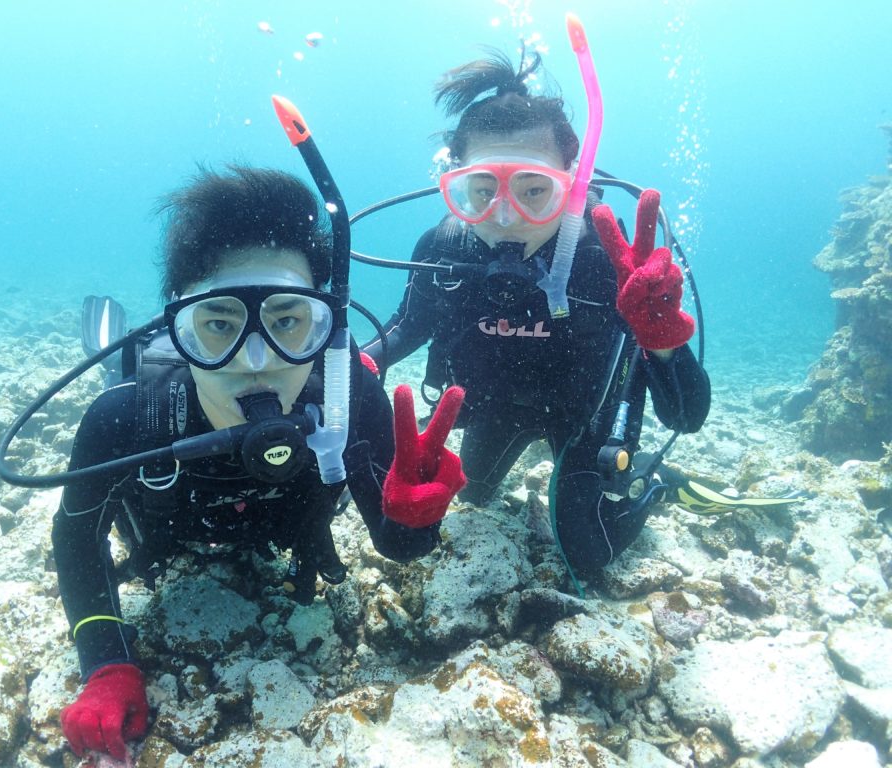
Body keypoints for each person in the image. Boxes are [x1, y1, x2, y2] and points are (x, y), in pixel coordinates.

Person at [52, 165, 465, 762]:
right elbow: (76, 535)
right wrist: (107, 664)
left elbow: (396, 546)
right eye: (219, 324)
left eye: (288, 321)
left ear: (326, 326)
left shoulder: (348, 399)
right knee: (126, 375)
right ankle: (121, 347)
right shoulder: (122, 421)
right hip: (167, 534)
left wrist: (414, 522)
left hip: (282, 536)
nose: (254, 361)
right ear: (182, 325)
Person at [361, 49, 711, 580]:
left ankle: (652, 483)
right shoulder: (444, 249)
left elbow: (686, 418)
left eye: (533, 191)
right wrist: (352, 366)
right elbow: (406, 329)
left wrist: (662, 340)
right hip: (493, 406)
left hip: (583, 415)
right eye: (481, 192)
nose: (505, 217)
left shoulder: (607, 260)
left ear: (571, 181)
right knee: (471, 493)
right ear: (455, 182)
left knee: (585, 552)